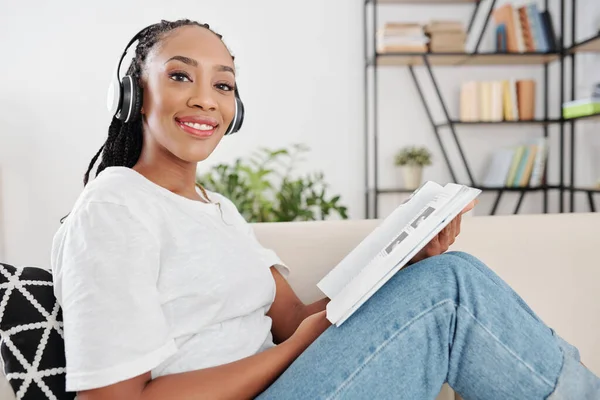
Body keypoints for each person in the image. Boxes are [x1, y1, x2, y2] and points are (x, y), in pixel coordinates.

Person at [50, 19, 600, 400]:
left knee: (443, 273)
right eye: (179, 75)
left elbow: (293, 320)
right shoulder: (114, 204)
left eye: (223, 84)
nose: (205, 99)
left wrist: (405, 257)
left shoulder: (215, 209)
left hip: (295, 379)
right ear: (131, 94)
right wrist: (294, 353)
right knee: (451, 290)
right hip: (281, 384)